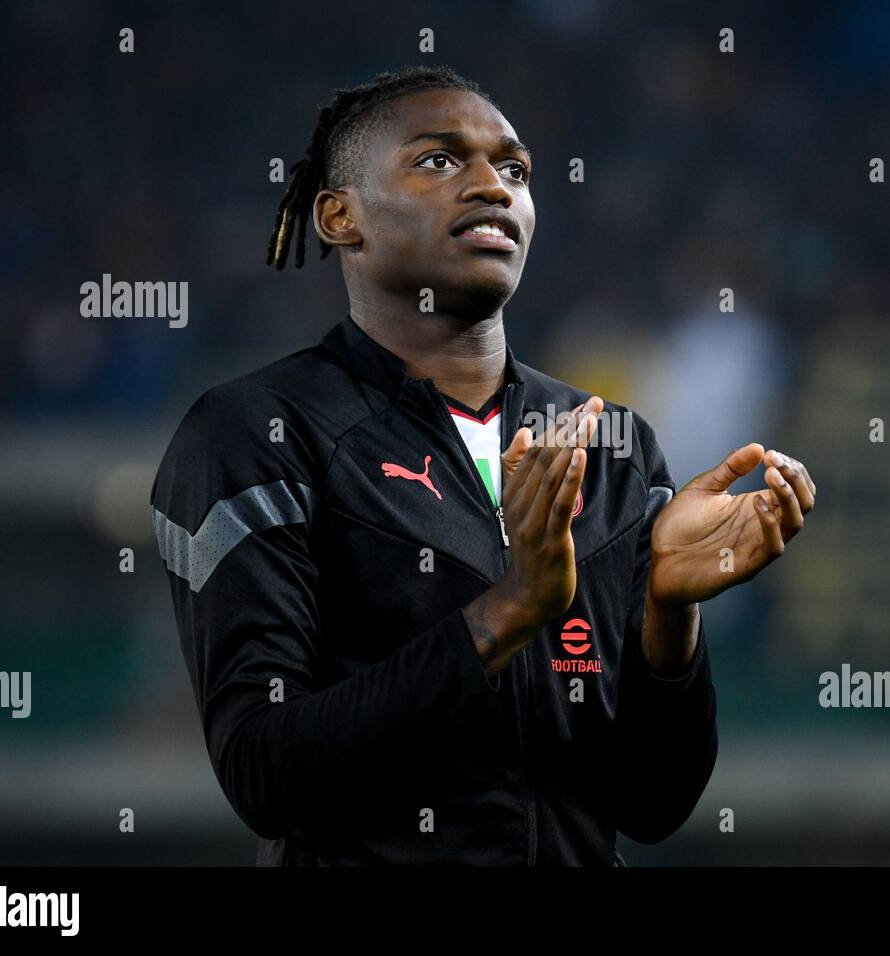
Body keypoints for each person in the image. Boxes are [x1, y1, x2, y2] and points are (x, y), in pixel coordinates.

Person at [150, 64, 815, 866]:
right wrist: (510, 610)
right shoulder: (259, 430)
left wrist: (668, 617)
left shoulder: (612, 446)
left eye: (515, 170)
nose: (493, 187)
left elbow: (651, 802)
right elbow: (265, 772)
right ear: (339, 216)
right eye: (439, 160)